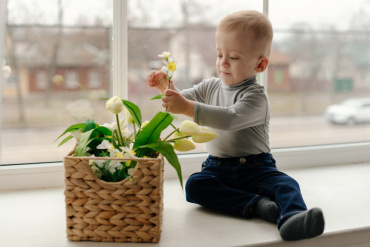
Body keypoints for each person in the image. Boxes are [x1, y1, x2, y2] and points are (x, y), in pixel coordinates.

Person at [146, 10, 325, 241]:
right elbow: (180, 100)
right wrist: (166, 87)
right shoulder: (210, 86)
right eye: (220, 55)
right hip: (217, 168)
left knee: (286, 184)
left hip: (256, 168)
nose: (223, 63)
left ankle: (292, 218)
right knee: (195, 186)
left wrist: (186, 107)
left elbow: (230, 118)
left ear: (260, 65)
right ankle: (258, 206)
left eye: (234, 57)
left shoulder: (256, 97)